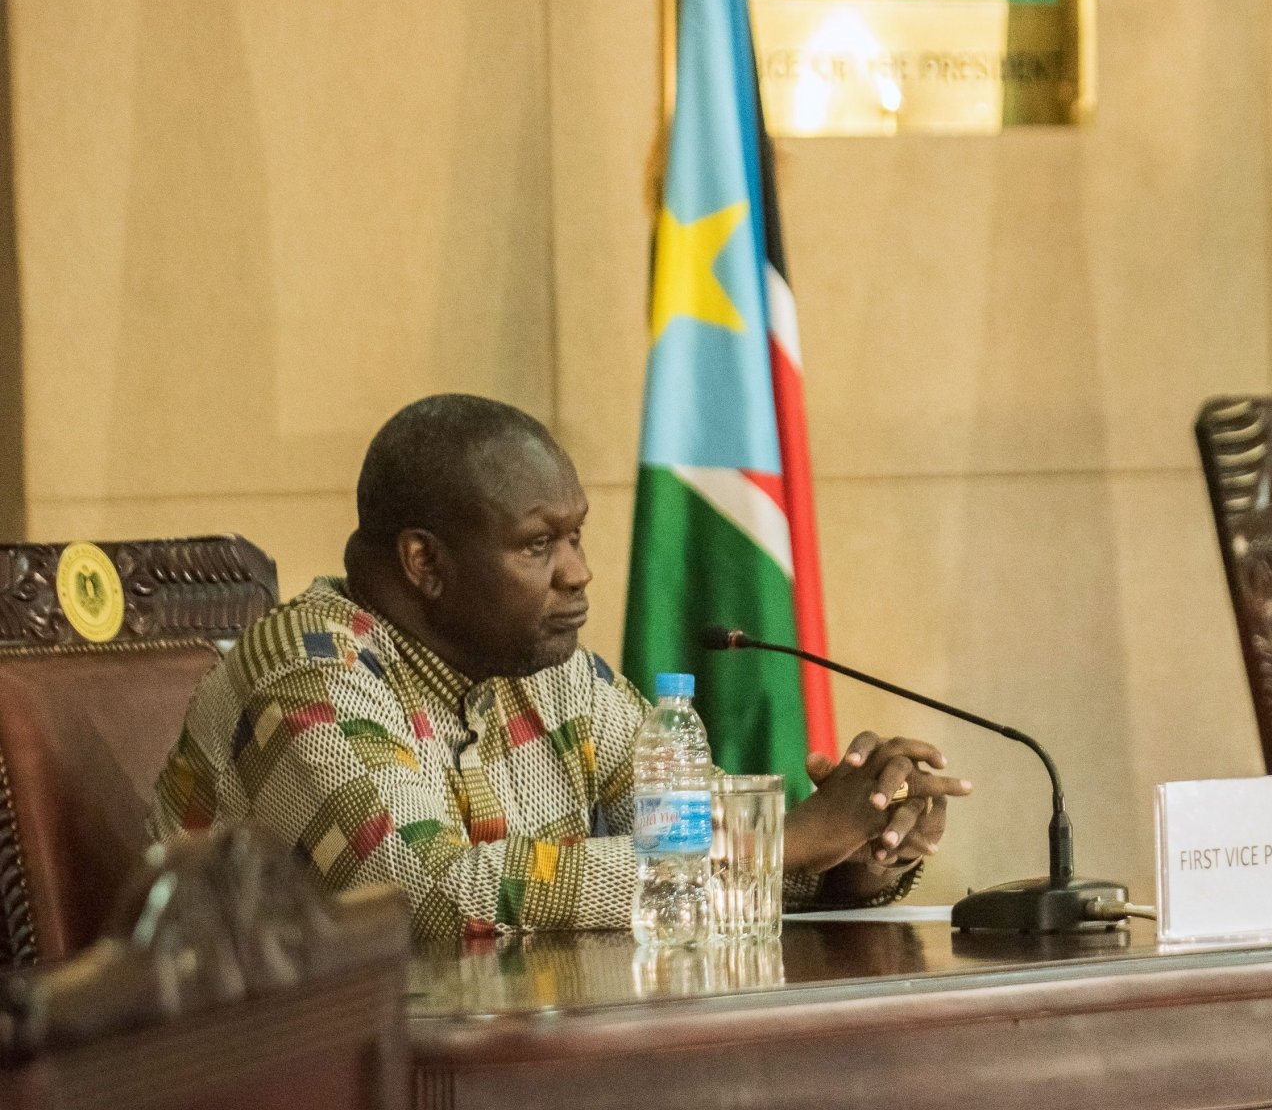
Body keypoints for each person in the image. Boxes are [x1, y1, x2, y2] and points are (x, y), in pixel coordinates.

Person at [153, 394, 968, 937]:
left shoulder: (553, 675)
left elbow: (693, 849)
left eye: (576, 536)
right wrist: (779, 843)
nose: (578, 572)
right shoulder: (305, 674)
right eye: (539, 545)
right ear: (423, 563)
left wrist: (854, 851)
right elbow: (432, 898)